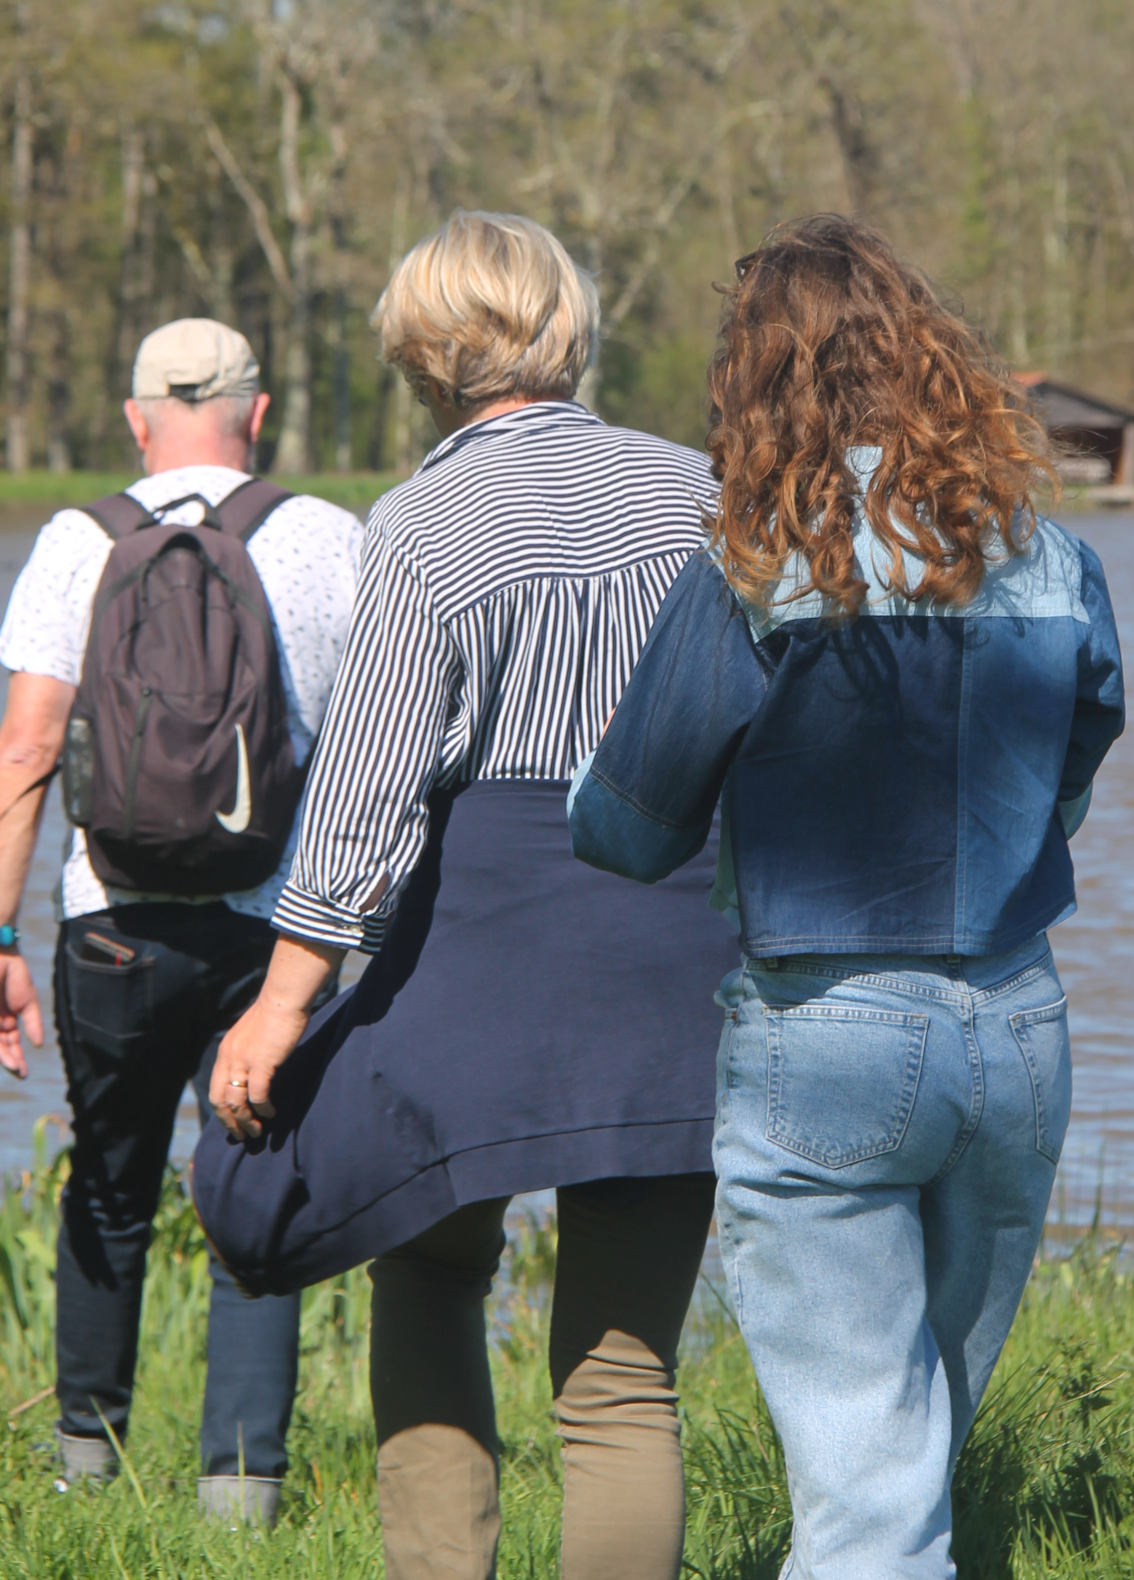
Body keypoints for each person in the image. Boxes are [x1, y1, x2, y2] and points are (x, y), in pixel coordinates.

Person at [568, 216, 1126, 1580]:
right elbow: (1078, 762)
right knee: (913, 1452)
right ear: (929, 354)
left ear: (756, 378)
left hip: (825, 1034)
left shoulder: (755, 561)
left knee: (873, 1495)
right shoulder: (1051, 556)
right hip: (1018, 1026)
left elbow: (629, 830)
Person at [199, 210, 738, 1580]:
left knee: (432, 1278)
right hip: (677, 951)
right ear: (569, 329)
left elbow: (367, 793)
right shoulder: (701, 492)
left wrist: (279, 1004)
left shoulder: (422, 522)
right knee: (623, 1375)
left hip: (476, 952)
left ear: (422, 355)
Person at [0, 318, 362, 1524]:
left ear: (136, 418)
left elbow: (28, 745)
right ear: (260, 414)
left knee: (107, 1186)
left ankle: (84, 1473)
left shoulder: (78, 540)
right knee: (258, 1184)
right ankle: (240, 1494)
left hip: (113, 924)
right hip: (275, 934)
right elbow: (374, 752)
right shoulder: (328, 537)